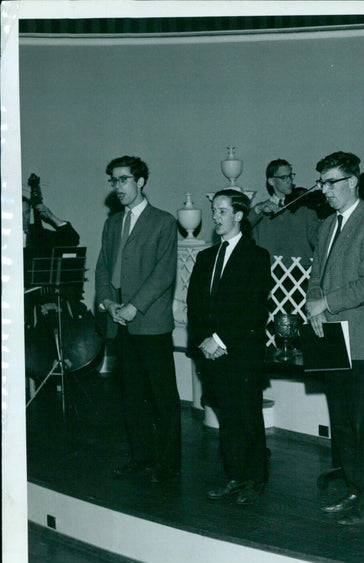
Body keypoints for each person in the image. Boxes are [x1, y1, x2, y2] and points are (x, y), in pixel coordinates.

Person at [305, 151, 364, 526]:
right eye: (321, 182)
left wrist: (326, 302)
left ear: (352, 182)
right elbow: (316, 275)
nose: (324, 190)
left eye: (331, 182)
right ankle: (355, 490)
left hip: (362, 341)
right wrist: (313, 303)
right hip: (330, 337)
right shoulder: (326, 226)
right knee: (341, 423)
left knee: (363, 424)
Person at [95, 155, 182, 483]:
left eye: (124, 179)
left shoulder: (163, 221)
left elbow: (164, 273)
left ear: (140, 181)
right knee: (131, 395)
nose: (118, 187)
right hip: (118, 321)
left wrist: (134, 306)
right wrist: (106, 301)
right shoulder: (112, 222)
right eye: (113, 180)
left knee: (162, 395)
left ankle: (169, 463)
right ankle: (141, 456)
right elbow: (103, 266)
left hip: (149, 323)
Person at [187, 189, 273, 506]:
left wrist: (220, 340)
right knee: (227, 420)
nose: (216, 217)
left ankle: (255, 479)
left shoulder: (256, 256)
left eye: (222, 211)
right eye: (214, 211)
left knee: (248, 417)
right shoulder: (206, 257)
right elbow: (193, 307)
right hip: (211, 354)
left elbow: (253, 310)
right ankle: (234, 476)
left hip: (241, 353)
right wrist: (203, 341)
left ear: (239, 215)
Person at [247, 158, 323, 266]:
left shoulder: (305, 208)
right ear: (271, 181)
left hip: (301, 271)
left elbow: (318, 239)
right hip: (270, 272)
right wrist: (257, 209)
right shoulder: (261, 210)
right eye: (284, 177)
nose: (289, 180)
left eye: (290, 176)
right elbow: (241, 229)